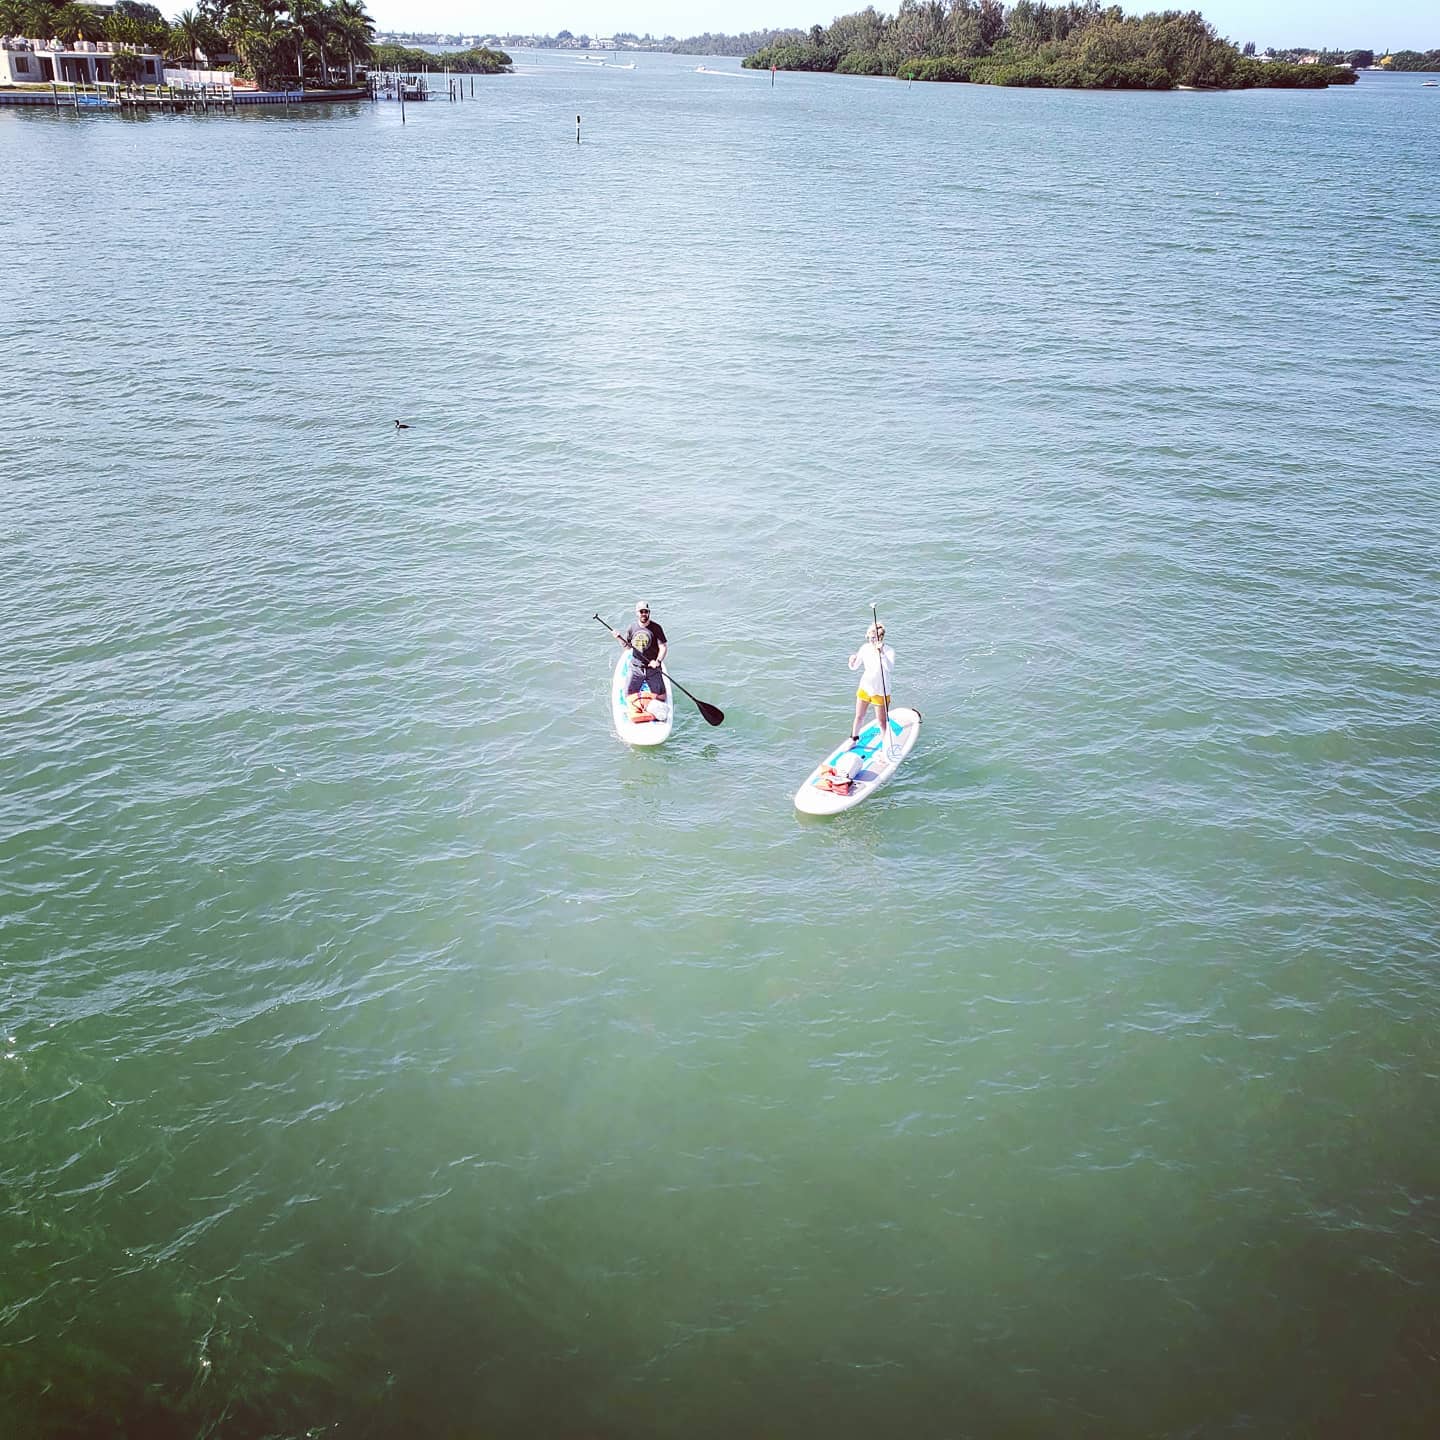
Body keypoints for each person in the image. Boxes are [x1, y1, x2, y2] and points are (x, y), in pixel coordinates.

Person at [612, 601, 668, 704]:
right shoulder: (632, 628)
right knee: (628, 695)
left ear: (649, 613)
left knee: (662, 697)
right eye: (641, 611)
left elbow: (663, 646)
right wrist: (619, 638)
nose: (644, 614)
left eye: (646, 612)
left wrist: (658, 661)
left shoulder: (656, 628)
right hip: (636, 668)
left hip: (653, 668)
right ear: (637, 613)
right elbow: (627, 648)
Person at [847, 621, 894, 744]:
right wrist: (851, 661)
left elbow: (889, 668)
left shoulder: (888, 651)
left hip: (880, 691)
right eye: (870, 637)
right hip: (865, 687)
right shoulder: (865, 648)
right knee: (859, 716)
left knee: (881, 722)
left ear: (881, 638)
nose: (872, 641)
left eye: (875, 638)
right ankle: (853, 739)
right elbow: (854, 666)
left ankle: (885, 746)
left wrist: (881, 653)